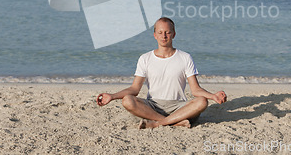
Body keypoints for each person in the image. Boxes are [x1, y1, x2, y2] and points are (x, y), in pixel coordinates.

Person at [96, 17, 227, 129]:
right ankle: (174, 122)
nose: (164, 36)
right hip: (152, 106)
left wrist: (212, 96)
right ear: (155, 35)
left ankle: (158, 124)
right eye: (160, 32)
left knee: (202, 102)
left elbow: (195, 90)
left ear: (174, 34)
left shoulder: (185, 57)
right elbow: (134, 89)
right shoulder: (145, 58)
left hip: (179, 106)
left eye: (167, 32)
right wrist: (112, 96)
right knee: (127, 101)